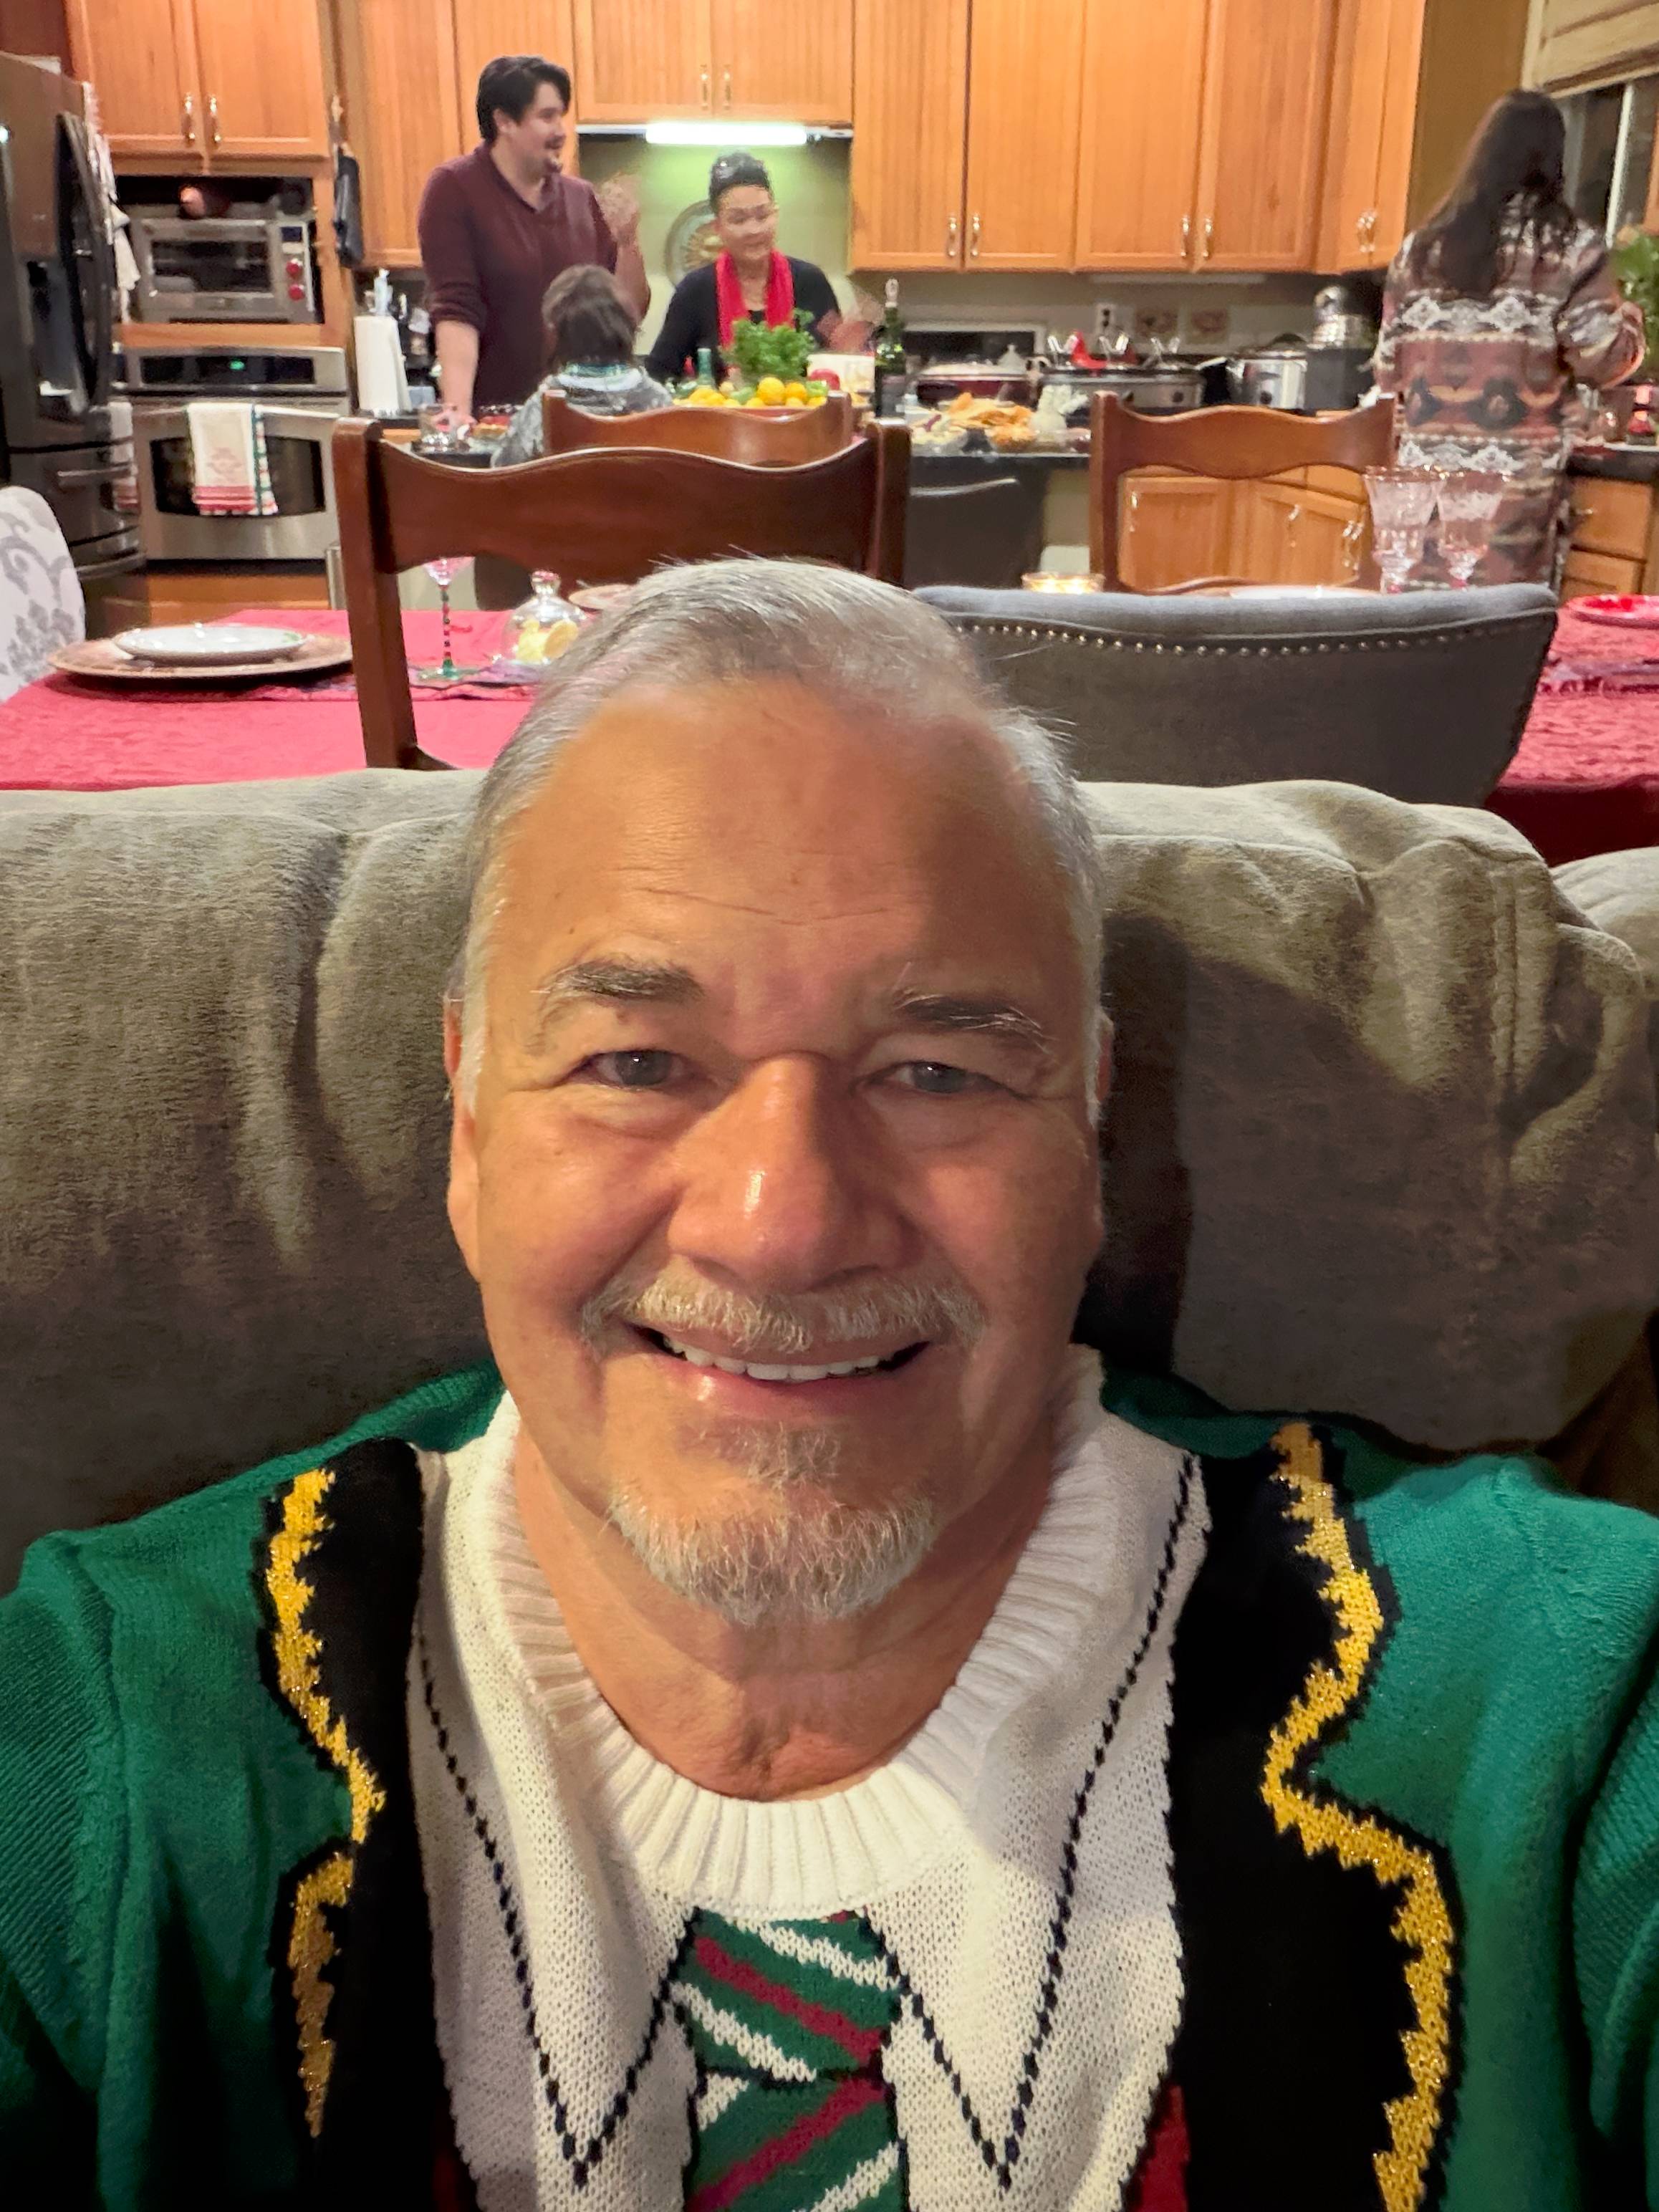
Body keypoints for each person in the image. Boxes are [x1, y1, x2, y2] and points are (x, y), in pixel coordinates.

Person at [2, 561, 1658, 2209]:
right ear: (473, 1121)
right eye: (636, 1063)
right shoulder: (113, 1723)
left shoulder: (1550, 1696)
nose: (780, 1225)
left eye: (936, 1070)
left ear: (1084, 1124)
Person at [1372, 87, 1645, 582]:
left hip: (1424, 495)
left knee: (1419, 625)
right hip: (1510, 504)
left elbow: (1388, 370)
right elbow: (1603, 359)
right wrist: (1630, 320)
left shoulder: (1420, 250)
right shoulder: (1568, 249)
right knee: (1499, 624)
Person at [418, 54, 649, 425]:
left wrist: (627, 243)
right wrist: (457, 412)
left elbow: (627, 313)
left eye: (562, 117)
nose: (561, 131)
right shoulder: (455, 189)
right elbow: (457, 310)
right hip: (498, 422)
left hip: (584, 420)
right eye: (547, 117)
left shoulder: (581, 197)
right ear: (504, 122)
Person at [645, 153, 867, 385]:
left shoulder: (811, 282)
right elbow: (658, 375)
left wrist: (845, 353)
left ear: (775, 215)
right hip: (720, 409)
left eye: (762, 216)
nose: (753, 230)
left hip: (798, 409)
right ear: (718, 227)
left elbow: (831, 371)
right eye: (738, 220)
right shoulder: (695, 290)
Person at [492, 265, 672, 469]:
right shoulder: (658, 403)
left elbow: (503, 467)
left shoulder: (544, 406)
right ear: (628, 328)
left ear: (556, 333)